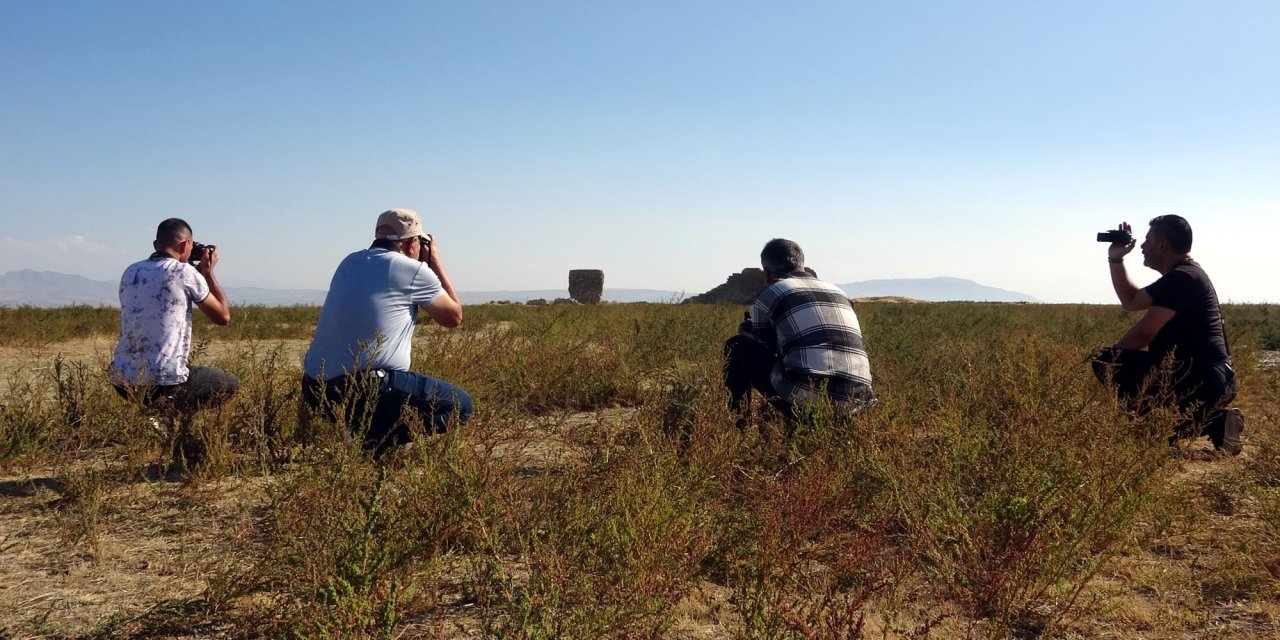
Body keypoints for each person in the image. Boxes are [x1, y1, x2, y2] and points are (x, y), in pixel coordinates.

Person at [301, 208, 473, 456]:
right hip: (365, 389)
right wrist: (434, 262)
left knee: (383, 393)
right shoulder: (412, 270)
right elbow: (454, 317)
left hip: (315, 391)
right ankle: (372, 444)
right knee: (461, 406)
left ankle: (364, 437)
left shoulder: (349, 262)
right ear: (413, 242)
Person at [1092, 215, 1244, 453]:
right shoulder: (1182, 275)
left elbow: (1144, 334)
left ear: (1163, 245)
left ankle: (1154, 431)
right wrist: (1115, 259)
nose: (1141, 247)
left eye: (1147, 241)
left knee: (1107, 361)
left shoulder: (1182, 278)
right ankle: (1218, 424)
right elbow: (1131, 300)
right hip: (1213, 379)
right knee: (1122, 366)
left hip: (1204, 378)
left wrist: (1113, 361)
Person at [109, 218, 238, 465]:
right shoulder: (184, 272)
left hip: (123, 380)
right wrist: (208, 274)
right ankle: (172, 422)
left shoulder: (130, 272)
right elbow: (222, 317)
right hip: (164, 382)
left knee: (176, 380)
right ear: (185, 245)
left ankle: (159, 416)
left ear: (156, 243)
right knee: (228, 384)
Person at [723, 238, 875, 432]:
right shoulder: (839, 292)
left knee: (737, 346)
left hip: (807, 405)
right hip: (858, 404)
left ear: (767, 274)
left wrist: (747, 334)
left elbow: (764, 347)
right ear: (803, 265)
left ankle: (739, 427)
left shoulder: (770, 291)